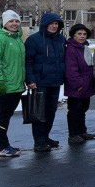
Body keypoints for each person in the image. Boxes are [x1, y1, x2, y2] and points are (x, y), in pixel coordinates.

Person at [24, 12, 66, 152]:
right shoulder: (34, 40)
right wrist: (30, 79)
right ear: (45, 24)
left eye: (56, 24)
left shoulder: (61, 39)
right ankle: (39, 141)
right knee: (39, 113)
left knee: (51, 111)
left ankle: (46, 136)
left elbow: (63, 59)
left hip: (55, 81)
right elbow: (28, 61)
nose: (54, 26)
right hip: (39, 82)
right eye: (51, 24)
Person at [0, 10, 25, 157]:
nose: (14, 24)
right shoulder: (0, 39)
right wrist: (0, 81)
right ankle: (0, 146)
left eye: (17, 21)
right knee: (2, 116)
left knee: (6, 116)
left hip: (16, 85)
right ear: (5, 23)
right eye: (11, 21)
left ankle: (3, 144)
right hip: (5, 87)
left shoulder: (17, 39)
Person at [64, 23, 95, 144]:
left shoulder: (84, 47)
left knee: (83, 109)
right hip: (77, 85)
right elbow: (71, 69)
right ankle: (73, 134)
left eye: (84, 34)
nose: (82, 36)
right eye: (79, 34)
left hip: (86, 84)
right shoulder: (71, 49)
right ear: (73, 35)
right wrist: (78, 84)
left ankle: (82, 131)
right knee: (74, 110)